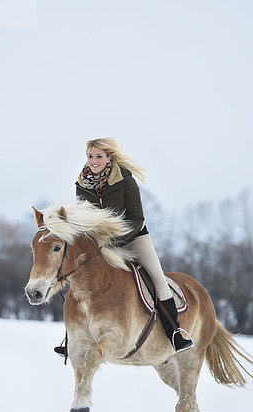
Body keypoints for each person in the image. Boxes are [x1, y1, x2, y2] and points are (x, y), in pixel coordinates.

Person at [75, 137, 194, 353]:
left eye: (99, 156)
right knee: (79, 277)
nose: (93, 161)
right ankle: (71, 339)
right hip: (101, 244)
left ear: (109, 159)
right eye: (90, 156)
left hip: (134, 238)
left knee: (157, 278)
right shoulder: (82, 185)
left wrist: (117, 240)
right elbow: (83, 219)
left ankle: (174, 333)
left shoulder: (126, 181)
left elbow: (137, 218)